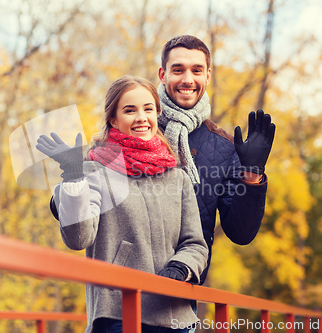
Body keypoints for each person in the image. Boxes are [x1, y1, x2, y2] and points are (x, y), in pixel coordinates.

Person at [36, 75, 209, 333]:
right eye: (130, 110)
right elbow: (78, 238)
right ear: (113, 119)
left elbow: (195, 243)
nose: (141, 117)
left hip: (175, 316)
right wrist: (73, 175)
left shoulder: (178, 177)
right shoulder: (95, 171)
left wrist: (180, 267)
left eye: (148, 109)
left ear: (156, 114)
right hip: (119, 314)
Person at [157, 35, 276, 285]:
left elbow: (240, 233)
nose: (188, 79)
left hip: (182, 293)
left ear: (207, 76)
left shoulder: (223, 146)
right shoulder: (136, 127)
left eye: (196, 70)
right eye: (177, 70)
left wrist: (252, 174)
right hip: (122, 288)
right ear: (162, 74)